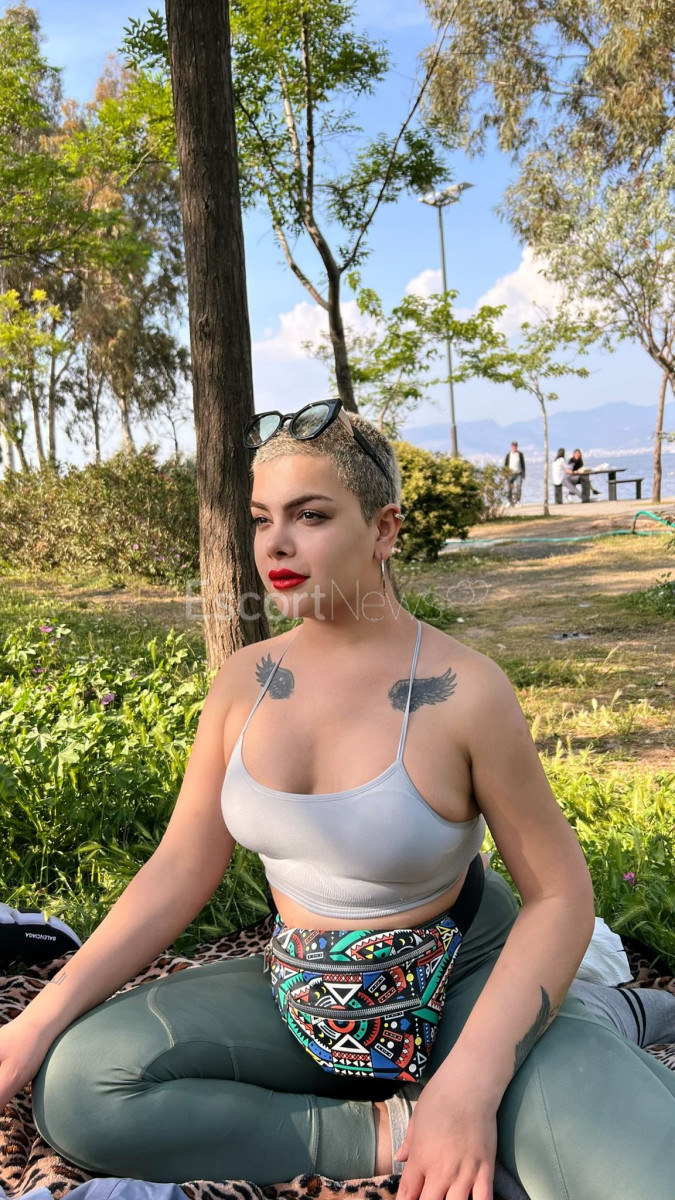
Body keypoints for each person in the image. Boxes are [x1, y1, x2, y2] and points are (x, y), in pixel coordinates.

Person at [2, 398, 675, 1200]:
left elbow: (560, 896)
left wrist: (472, 1082)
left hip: (465, 977)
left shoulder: (463, 690)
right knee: (80, 1089)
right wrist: (36, 1022)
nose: (276, 544)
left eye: (311, 515)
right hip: (300, 990)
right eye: (262, 519)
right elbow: (181, 867)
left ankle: (597, 1019)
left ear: (384, 530)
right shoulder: (243, 683)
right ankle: (395, 1131)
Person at [504, 441, 526, 505]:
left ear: (517, 447)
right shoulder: (508, 455)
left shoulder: (520, 455)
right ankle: (509, 501)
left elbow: (523, 465)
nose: (514, 448)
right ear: (511, 447)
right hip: (510, 474)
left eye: (515, 446)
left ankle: (518, 501)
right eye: (513, 446)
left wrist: (523, 474)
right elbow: (505, 465)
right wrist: (504, 474)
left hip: (518, 474)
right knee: (509, 488)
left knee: (518, 487)